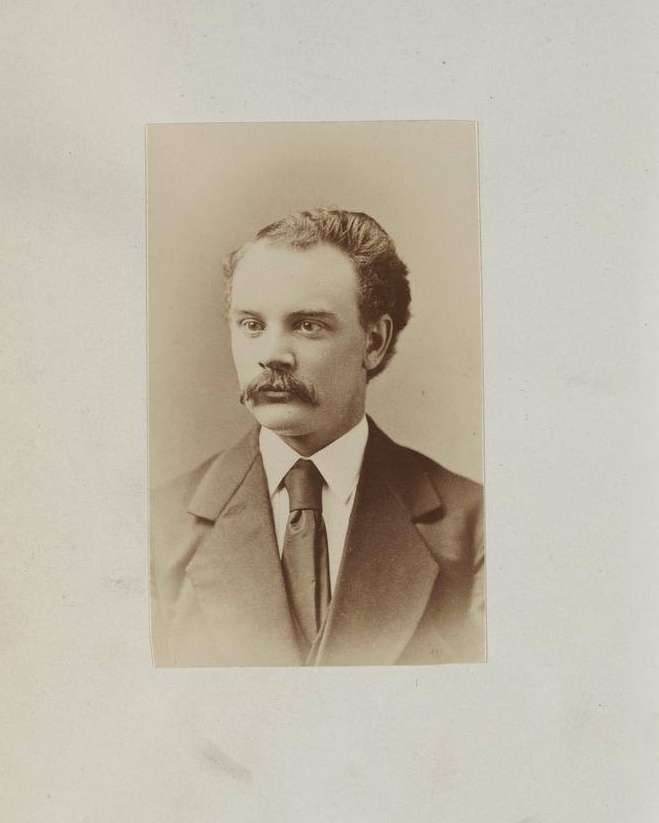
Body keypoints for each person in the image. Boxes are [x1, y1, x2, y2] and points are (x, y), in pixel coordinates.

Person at [150, 207, 485, 667]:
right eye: (252, 325)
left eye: (308, 325)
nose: (272, 355)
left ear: (374, 342)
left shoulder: (475, 528)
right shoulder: (158, 529)